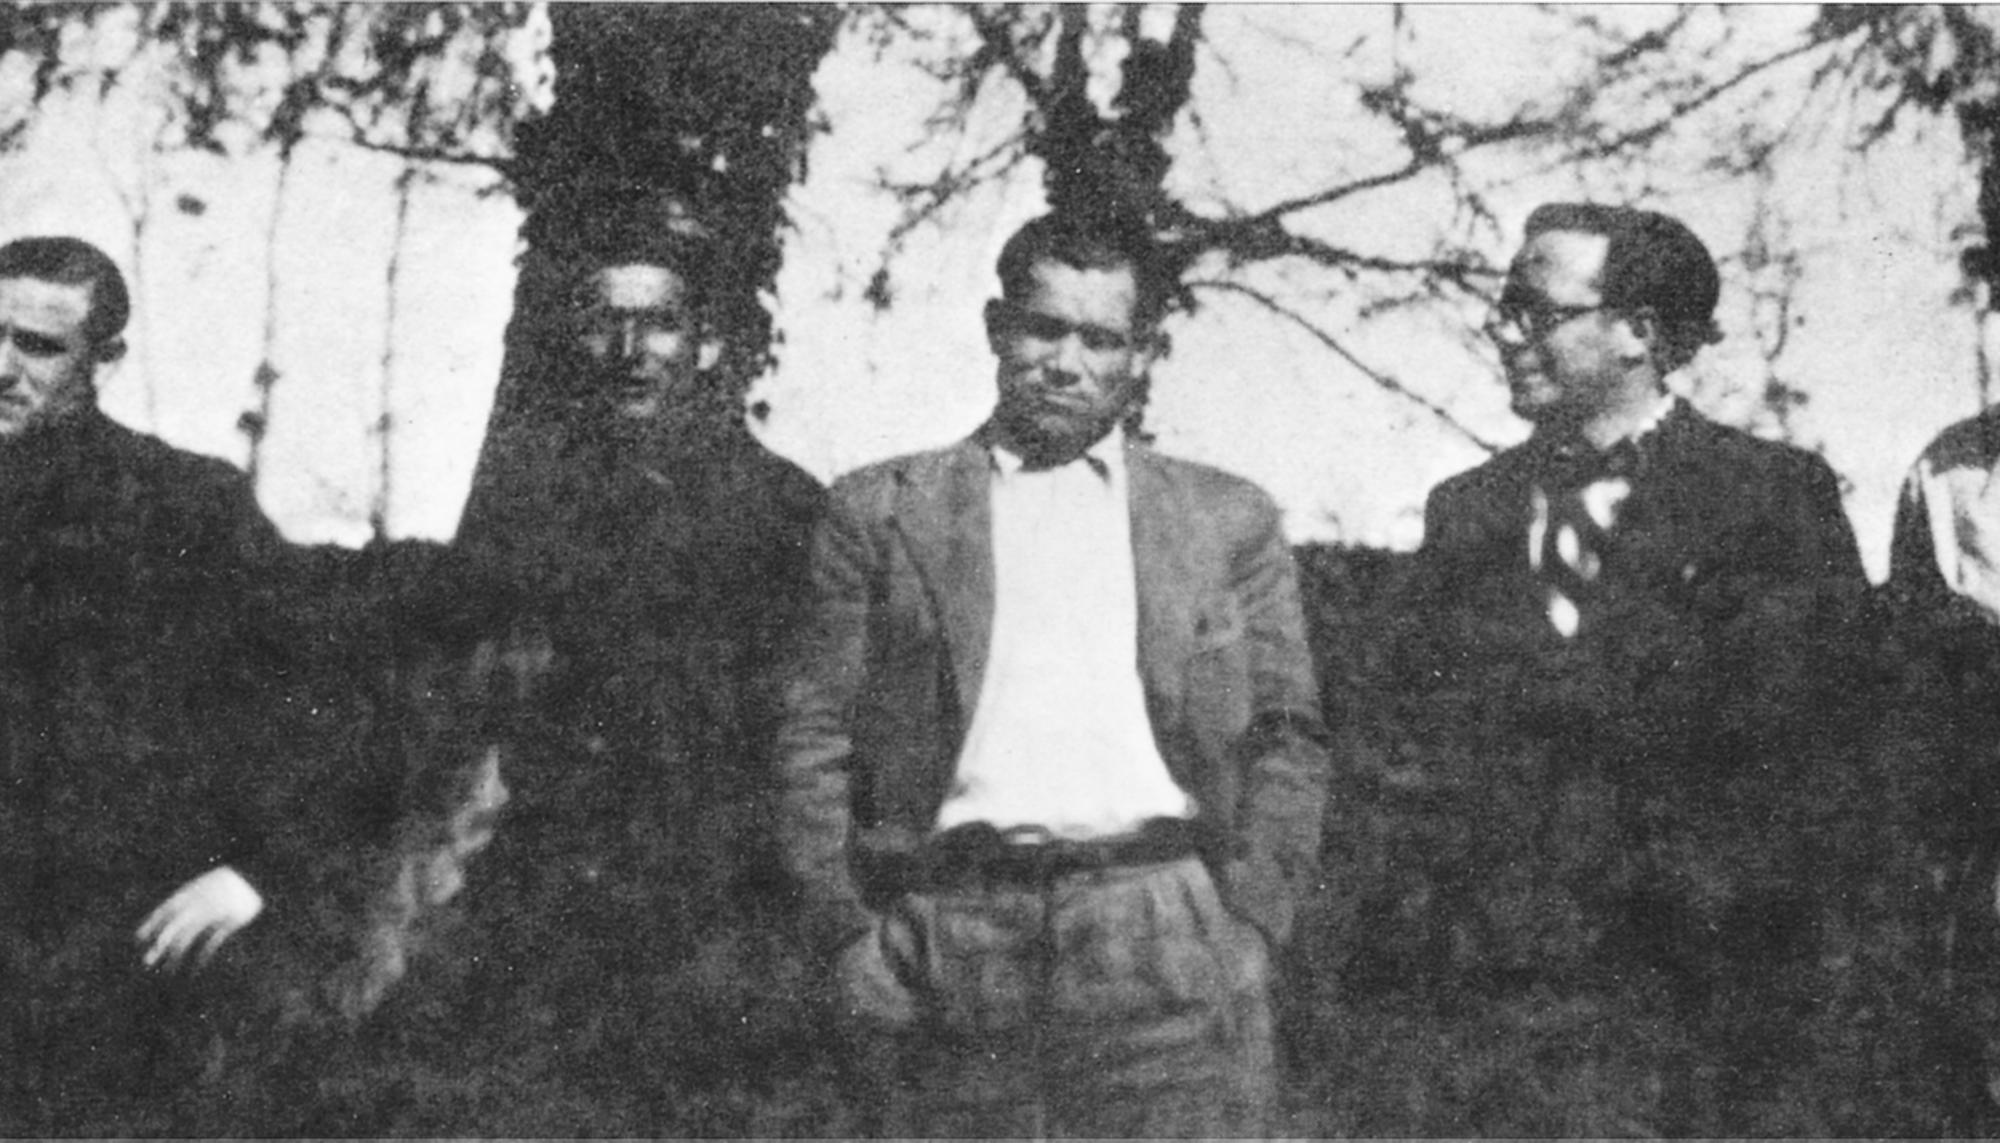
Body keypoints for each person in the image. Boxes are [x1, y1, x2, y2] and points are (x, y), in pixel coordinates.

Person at [774, 210, 1332, 1137]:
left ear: (1142, 352)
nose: (1066, 363)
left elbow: (1288, 737)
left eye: (1101, 339)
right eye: (1043, 329)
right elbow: (815, 734)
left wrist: (1250, 923)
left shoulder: (1224, 518)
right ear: (998, 329)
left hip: (1160, 924)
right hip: (949, 929)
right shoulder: (882, 511)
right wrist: (845, 932)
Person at [1394, 203, 1870, 1134]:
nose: (1503, 331)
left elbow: (1826, 765)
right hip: (1507, 1016)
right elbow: (1425, 755)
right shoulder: (1466, 512)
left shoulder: (1770, 499)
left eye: (1536, 311)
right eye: (1503, 307)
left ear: (1639, 333)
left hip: (1708, 1014)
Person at [414, 205, 825, 1133]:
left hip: (717, 905)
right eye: (607, 321)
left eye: (662, 323)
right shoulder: (533, 499)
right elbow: (472, 701)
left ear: (708, 344)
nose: (632, 351)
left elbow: (809, 732)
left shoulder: (783, 510)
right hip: (548, 896)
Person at [0, 235, 320, 1133]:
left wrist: (256, 873)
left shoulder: (184, 508)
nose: (2, 368)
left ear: (105, 359)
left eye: (38, 346)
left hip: (101, 971)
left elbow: (319, 703)